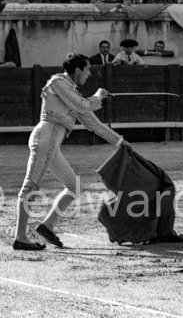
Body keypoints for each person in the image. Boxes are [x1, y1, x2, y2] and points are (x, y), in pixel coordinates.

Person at [13, 53, 127, 251]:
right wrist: (99, 96)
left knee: (74, 186)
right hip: (45, 138)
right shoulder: (58, 82)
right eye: (88, 69)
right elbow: (82, 105)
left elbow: (94, 125)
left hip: (52, 143)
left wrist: (121, 142)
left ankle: (47, 226)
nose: (89, 74)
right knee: (30, 187)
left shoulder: (72, 93)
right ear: (77, 70)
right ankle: (20, 237)